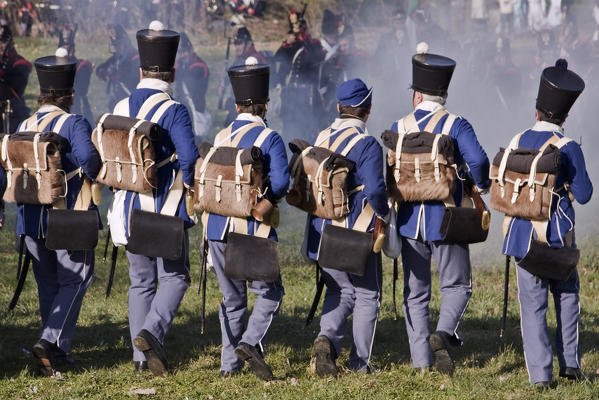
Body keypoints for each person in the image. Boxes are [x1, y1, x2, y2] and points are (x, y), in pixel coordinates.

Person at [389, 49, 490, 375]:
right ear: (443, 93)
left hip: (407, 222)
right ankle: (444, 334)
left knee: (415, 294)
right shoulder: (455, 123)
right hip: (447, 219)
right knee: (458, 286)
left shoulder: (399, 125)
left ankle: (421, 363)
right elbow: (479, 163)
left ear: (417, 94)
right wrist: (478, 184)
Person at [111, 21, 199, 376]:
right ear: (172, 71)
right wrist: (191, 187)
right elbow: (190, 157)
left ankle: (138, 359)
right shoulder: (174, 109)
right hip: (165, 207)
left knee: (141, 282)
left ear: (142, 69)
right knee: (176, 277)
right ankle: (151, 332)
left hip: (131, 206)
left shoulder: (120, 104)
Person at [501, 59, 592, 388]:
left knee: (532, 305)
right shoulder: (567, 147)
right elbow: (584, 195)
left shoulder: (517, 139)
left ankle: (540, 377)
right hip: (556, 236)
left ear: (537, 111)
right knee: (567, 295)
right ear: (564, 116)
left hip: (522, 238)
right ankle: (570, 364)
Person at [16, 51, 101, 376]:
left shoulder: (24, 122)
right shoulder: (73, 121)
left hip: (29, 217)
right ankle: (49, 341)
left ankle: (56, 353)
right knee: (77, 278)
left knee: (49, 283)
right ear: (69, 94)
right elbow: (89, 161)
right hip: (66, 217)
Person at [205, 60, 289, 380]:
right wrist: (265, 205)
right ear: (264, 106)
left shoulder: (221, 136)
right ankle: (250, 342)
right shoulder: (269, 137)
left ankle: (229, 365)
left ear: (236, 104)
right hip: (250, 229)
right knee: (271, 292)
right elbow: (280, 183)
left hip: (216, 227)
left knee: (231, 298)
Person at [304, 79, 388, 376]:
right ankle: (360, 363)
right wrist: (386, 216)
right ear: (367, 110)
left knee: (339, 290)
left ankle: (326, 340)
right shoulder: (367, 144)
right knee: (367, 295)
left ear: (339, 108)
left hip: (321, 232)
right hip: (355, 233)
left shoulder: (321, 136)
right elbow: (377, 191)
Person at [274, 8, 324, 140]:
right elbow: (278, 60)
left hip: (307, 94)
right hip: (289, 93)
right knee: (288, 127)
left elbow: (317, 58)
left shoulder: (313, 44)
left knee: (307, 128)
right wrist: (286, 44)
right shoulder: (289, 46)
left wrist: (304, 40)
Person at [224, 26, 266, 125]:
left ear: (248, 43)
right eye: (235, 44)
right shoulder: (238, 59)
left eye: (240, 43)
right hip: (237, 106)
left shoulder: (257, 59)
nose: (236, 47)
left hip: (251, 109)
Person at [175, 32, 211, 141]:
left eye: (184, 51)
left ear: (191, 50)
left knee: (195, 141)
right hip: (183, 107)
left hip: (195, 108)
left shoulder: (199, 66)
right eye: (180, 52)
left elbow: (188, 77)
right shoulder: (181, 64)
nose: (183, 55)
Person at [96, 24, 140, 110]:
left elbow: (134, 77)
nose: (116, 48)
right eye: (115, 45)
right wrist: (106, 74)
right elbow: (100, 69)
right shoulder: (117, 58)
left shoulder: (136, 57)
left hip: (132, 100)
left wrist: (120, 75)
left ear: (125, 43)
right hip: (117, 100)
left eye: (118, 45)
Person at [57, 24, 94, 124]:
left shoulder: (82, 66)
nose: (68, 53)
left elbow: (81, 89)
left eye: (69, 49)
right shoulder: (56, 67)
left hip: (77, 107)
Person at [0, 25, 31, 133]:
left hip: (12, 115)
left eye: (3, 41)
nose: (0, 45)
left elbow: (16, 88)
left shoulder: (20, 64)